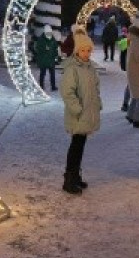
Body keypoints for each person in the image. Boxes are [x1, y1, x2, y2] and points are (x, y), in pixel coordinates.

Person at [60, 33, 102, 194]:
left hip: (86, 115)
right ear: (77, 51)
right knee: (76, 147)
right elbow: (67, 92)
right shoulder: (72, 68)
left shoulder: (90, 68)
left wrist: (97, 104)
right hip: (77, 116)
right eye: (83, 50)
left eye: (88, 50)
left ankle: (75, 176)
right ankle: (69, 179)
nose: (86, 53)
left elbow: (95, 89)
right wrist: (77, 109)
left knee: (80, 146)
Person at [34, 25, 60, 92]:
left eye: (50, 32)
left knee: (52, 74)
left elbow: (55, 48)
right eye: (47, 32)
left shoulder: (52, 39)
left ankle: (53, 86)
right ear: (45, 32)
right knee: (42, 73)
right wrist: (44, 49)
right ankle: (41, 86)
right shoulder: (41, 39)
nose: (49, 33)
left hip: (51, 60)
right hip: (43, 60)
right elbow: (37, 49)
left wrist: (56, 56)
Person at [118, 26, 130, 111]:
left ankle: (125, 104)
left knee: (130, 86)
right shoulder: (129, 41)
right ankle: (126, 104)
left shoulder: (125, 40)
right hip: (134, 67)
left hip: (129, 65)